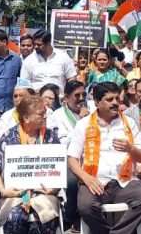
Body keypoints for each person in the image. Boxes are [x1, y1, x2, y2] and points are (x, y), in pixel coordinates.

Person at [67, 82, 141, 234]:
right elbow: (72, 159)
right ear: (96, 102)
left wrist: (130, 148)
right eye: (109, 99)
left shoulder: (128, 123)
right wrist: (86, 178)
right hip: (95, 181)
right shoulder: (84, 124)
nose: (115, 103)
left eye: (117, 99)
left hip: (125, 181)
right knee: (85, 207)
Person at [0, 95, 61, 234]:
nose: (45, 117)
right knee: (14, 217)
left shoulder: (51, 136)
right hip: (16, 193)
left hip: (43, 192)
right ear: (26, 118)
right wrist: (4, 191)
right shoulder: (9, 137)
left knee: (44, 216)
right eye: (41, 114)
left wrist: (54, 188)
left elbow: (58, 168)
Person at [49, 80, 88, 232]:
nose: (81, 98)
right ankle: (71, 218)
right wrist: (81, 123)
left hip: (91, 157)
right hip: (67, 159)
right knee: (72, 181)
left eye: (83, 94)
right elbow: (61, 142)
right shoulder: (56, 116)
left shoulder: (92, 111)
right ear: (65, 98)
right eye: (76, 95)